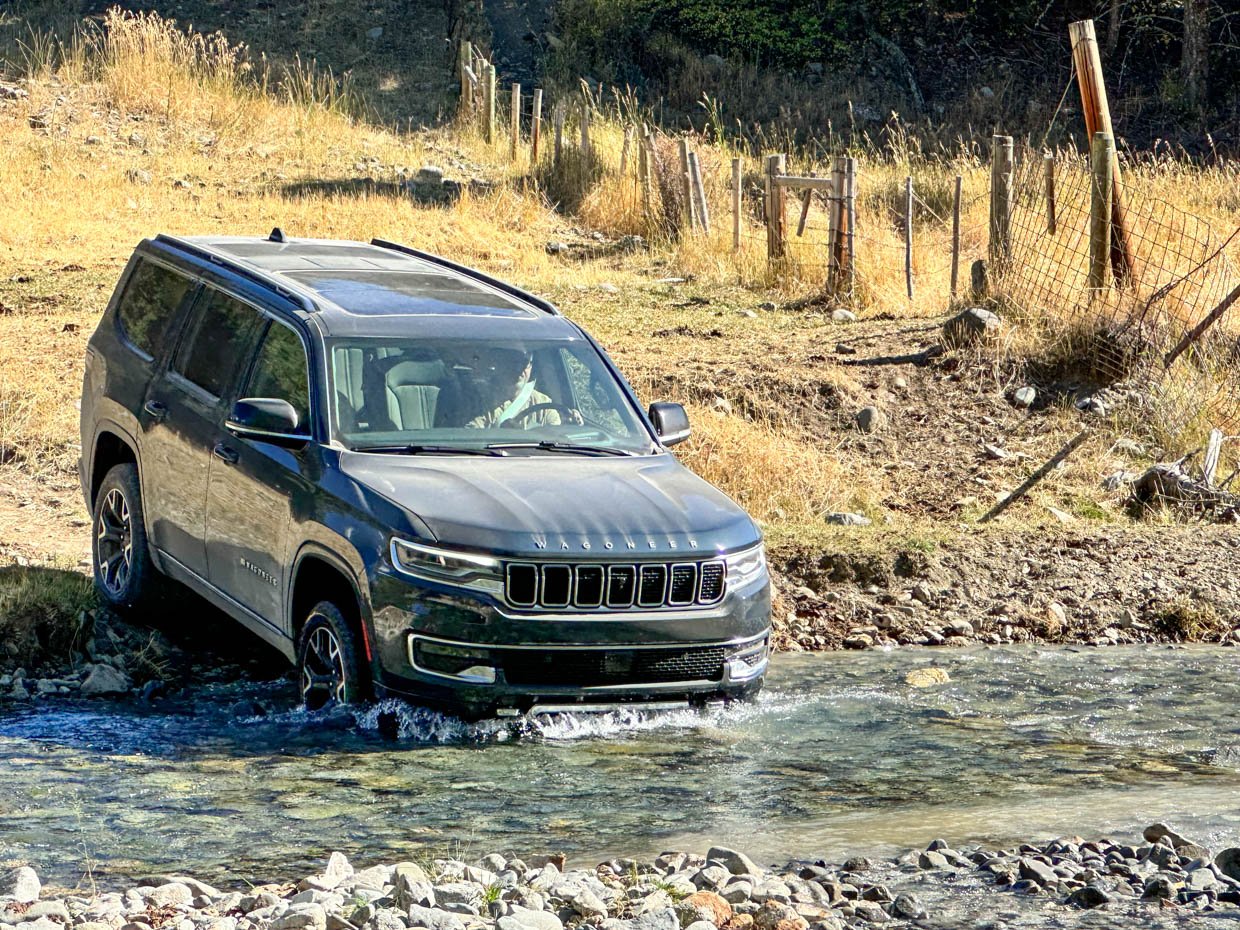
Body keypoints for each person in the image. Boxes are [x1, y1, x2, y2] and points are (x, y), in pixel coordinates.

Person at [465, 347, 577, 429]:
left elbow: (555, 437)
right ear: (499, 365)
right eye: (512, 363)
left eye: (524, 363)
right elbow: (470, 436)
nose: (518, 369)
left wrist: (570, 427)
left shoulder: (543, 403)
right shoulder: (481, 399)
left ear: (531, 367)